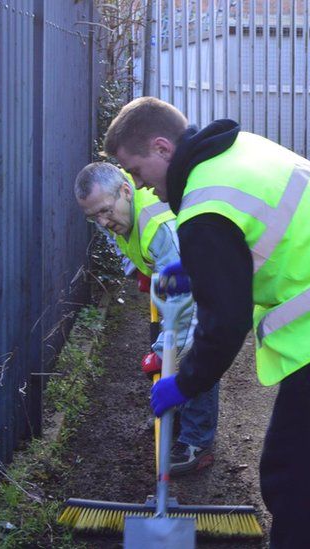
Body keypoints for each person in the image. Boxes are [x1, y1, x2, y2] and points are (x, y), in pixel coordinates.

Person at [105, 96, 310, 547]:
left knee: (294, 474)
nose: (142, 187)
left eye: (135, 171)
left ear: (162, 148)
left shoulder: (204, 208)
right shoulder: (236, 150)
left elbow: (224, 324)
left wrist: (185, 382)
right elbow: (268, 230)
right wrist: (203, 266)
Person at [74, 162, 218, 476]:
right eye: (93, 217)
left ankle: (197, 441)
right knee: (180, 356)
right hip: (180, 275)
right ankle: (180, 413)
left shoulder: (159, 226)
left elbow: (185, 304)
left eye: (106, 212)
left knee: (199, 352)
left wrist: (167, 349)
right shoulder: (117, 211)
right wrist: (141, 270)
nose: (102, 221)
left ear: (126, 191)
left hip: (207, 279)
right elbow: (125, 245)